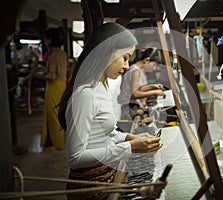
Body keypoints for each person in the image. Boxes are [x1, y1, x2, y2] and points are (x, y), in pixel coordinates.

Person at [58, 22, 166, 200]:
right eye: (125, 58)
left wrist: (132, 138)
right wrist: (130, 147)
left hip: (108, 177)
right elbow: (75, 158)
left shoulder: (102, 86)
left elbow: (104, 134)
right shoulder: (84, 94)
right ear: (107, 51)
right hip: (90, 187)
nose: (126, 66)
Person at [31, 27, 67, 150]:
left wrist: (35, 74)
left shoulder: (52, 56)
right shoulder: (62, 54)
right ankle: (53, 140)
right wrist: (41, 63)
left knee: (53, 116)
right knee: (57, 114)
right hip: (62, 86)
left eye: (46, 39)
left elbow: (51, 76)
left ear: (50, 40)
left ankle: (58, 143)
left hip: (53, 87)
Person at [118, 48, 166, 120]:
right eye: (153, 65)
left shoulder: (140, 71)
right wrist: (155, 92)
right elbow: (134, 94)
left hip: (135, 106)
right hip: (129, 108)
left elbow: (139, 88)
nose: (154, 68)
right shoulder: (135, 71)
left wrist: (152, 86)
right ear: (147, 60)